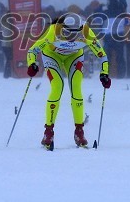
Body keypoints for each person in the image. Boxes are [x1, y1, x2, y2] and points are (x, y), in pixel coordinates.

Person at [26, 13, 110, 148]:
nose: (71, 38)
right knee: (57, 86)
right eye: (66, 33)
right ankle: (48, 132)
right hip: (52, 55)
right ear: (62, 28)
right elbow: (32, 51)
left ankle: (79, 131)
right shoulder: (53, 31)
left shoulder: (86, 32)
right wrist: (32, 64)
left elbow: (102, 55)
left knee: (76, 88)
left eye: (74, 35)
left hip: (74, 57)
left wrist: (104, 74)